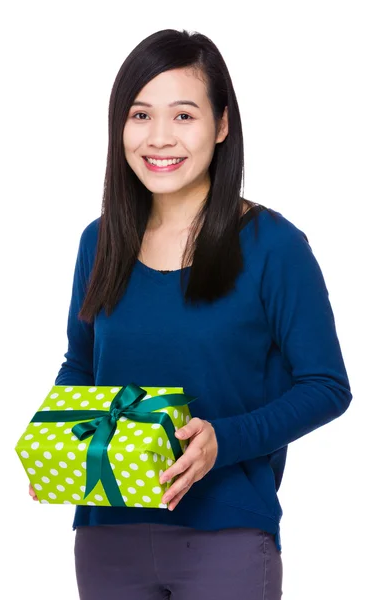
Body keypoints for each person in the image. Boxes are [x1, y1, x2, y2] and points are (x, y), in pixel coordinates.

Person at [29, 28, 352, 600]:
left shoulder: (273, 245)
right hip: (107, 535)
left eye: (183, 115)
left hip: (224, 533)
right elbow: (80, 365)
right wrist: (56, 441)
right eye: (139, 114)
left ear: (222, 125)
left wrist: (222, 440)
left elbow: (326, 385)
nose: (159, 137)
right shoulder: (99, 242)